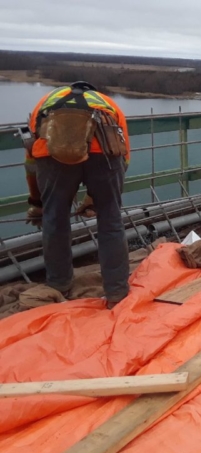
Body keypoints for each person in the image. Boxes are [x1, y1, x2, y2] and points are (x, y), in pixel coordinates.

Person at [22, 81, 131, 309]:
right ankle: (117, 292)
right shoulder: (108, 104)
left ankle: (59, 285)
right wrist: (96, 198)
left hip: (52, 155)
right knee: (110, 220)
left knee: (55, 220)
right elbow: (124, 158)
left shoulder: (45, 102)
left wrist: (37, 202)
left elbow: (31, 161)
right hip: (105, 153)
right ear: (93, 90)